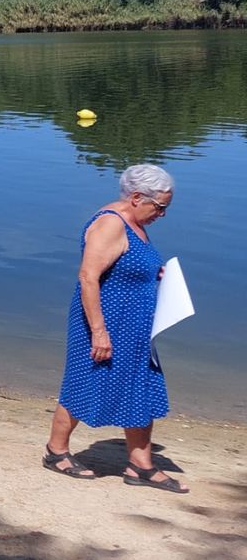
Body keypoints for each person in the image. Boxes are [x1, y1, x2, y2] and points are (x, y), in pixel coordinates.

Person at [44, 164, 187, 493]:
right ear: (137, 197)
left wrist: (157, 276)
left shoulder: (134, 221)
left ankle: (141, 465)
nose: (162, 214)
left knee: (140, 385)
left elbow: (128, 265)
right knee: (85, 381)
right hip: (105, 323)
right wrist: (99, 331)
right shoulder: (110, 224)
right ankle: (56, 452)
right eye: (160, 206)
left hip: (134, 327)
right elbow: (87, 277)